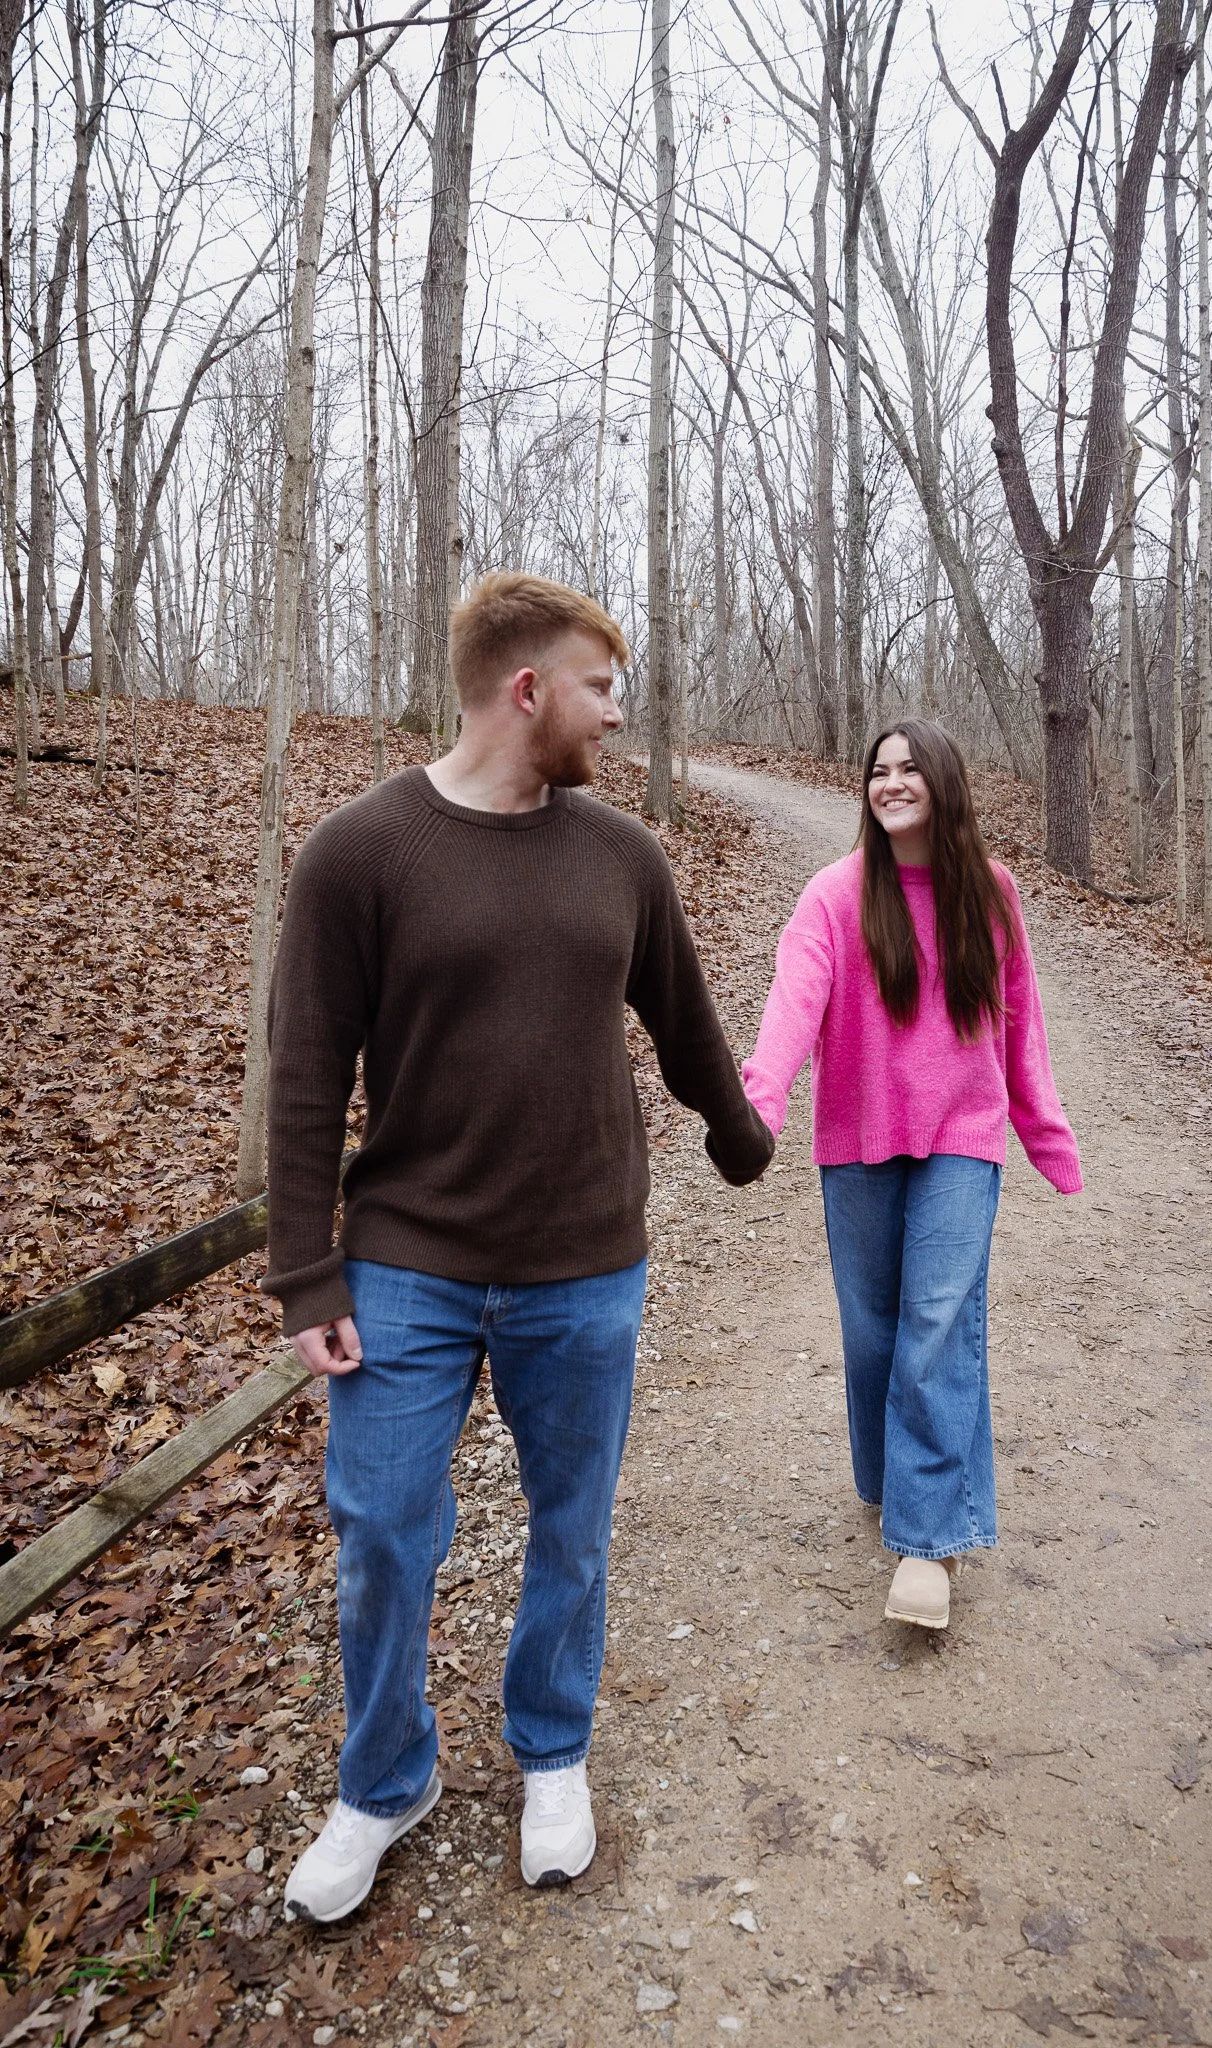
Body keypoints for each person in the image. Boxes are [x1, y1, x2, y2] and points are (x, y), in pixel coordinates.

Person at [263, 572, 773, 1923]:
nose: (619, 716)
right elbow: (307, 1076)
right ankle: (383, 1781)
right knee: (380, 1526)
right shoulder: (358, 854)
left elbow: (682, 1020)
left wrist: (738, 1133)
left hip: (584, 1264)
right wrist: (305, 1269)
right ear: (528, 690)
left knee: (572, 1527)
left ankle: (551, 1749)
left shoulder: (621, 857)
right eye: (602, 689)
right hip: (405, 1261)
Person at [741, 720, 1081, 1631]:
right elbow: (792, 1005)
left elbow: (1020, 1026)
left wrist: (1043, 1134)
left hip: (961, 1141)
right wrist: (758, 1103)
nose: (889, 783)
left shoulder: (991, 895)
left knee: (937, 1322)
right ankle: (889, 1475)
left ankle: (926, 1541)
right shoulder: (834, 895)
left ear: (941, 783)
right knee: (874, 1334)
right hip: (856, 1138)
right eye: (877, 771)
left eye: (906, 770)